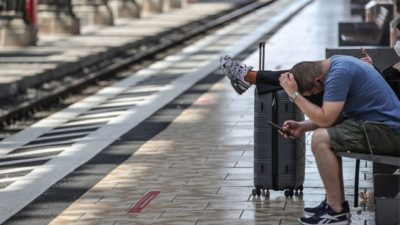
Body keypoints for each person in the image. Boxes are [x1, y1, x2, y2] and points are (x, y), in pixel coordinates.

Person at [220, 55, 400, 225]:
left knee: (321, 139)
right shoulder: (338, 66)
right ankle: (334, 205)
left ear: (317, 81)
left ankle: (336, 212)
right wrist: (302, 126)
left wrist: (295, 96)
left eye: (310, 93)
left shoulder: (339, 74)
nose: (313, 96)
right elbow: (336, 117)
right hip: (379, 128)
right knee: (323, 134)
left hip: (390, 134)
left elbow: (326, 120)